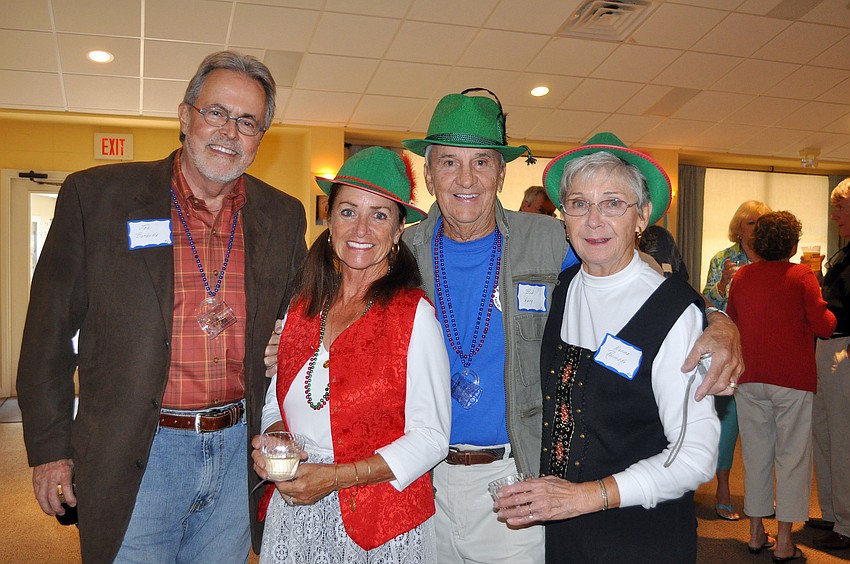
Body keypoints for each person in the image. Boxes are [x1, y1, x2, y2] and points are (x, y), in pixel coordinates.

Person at [399, 93, 739, 563]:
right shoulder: (399, 253)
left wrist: (717, 322)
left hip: (515, 482)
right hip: (422, 479)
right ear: (429, 174)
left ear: (501, 174)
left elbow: (635, 273)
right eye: (449, 162)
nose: (466, 179)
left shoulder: (546, 241)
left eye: (483, 162)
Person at [16, 51, 308, 563]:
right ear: (185, 115)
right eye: (216, 112)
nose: (229, 132)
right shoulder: (98, 198)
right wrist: (50, 449)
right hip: (139, 450)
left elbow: (299, 326)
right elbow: (47, 333)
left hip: (240, 450)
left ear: (262, 136)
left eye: (247, 122)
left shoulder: (283, 216)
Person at [493, 132, 720, 563]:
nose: (594, 220)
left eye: (613, 203)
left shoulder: (671, 310)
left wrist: (586, 497)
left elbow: (696, 456)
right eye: (579, 204)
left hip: (641, 534)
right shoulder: (562, 289)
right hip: (567, 534)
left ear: (642, 216)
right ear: (564, 217)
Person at [252, 147, 451, 562]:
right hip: (295, 511)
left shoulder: (414, 317)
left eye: (379, 215)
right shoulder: (302, 306)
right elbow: (277, 402)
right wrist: (274, 441)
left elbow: (432, 439)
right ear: (329, 219)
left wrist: (334, 478)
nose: (361, 228)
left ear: (399, 230)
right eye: (348, 211)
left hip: (381, 524)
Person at [728, 211, 835, 562]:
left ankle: (756, 532)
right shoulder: (802, 275)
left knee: (756, 455)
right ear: (792, 244)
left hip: (750, 376)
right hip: (792, 379)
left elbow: (732, 321)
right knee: (792, 458)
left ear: (757, 243)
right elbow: (824, 325)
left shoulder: (743, 276)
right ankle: (785, 541)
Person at [702, 199, 771, 521]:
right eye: (752, 222)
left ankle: (763, 494)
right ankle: (723, 490)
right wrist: (723, 283)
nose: (757, 228)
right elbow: (707, 301)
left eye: (763, 222)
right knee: (727, 425)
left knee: (763, 426)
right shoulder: (723, 259)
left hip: (763, 347)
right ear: (739, 227)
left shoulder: (774, 260)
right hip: (731, 346)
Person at [808, 178, 850, 551]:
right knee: (823, 434)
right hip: (826, 347)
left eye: (840, 208)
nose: (834, 215)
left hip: (843, 349)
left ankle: (847, 524)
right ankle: (834, 513)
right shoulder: (843, 253)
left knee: (843, 439)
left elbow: (839, 309)